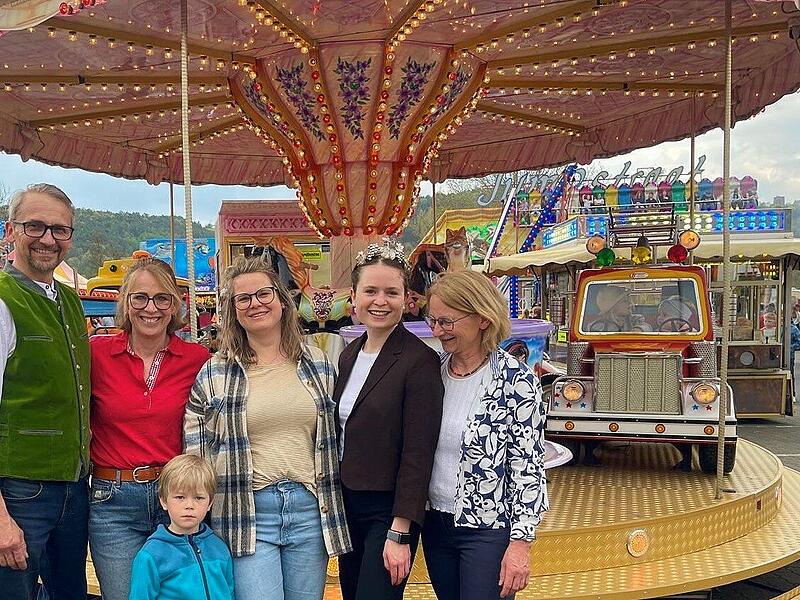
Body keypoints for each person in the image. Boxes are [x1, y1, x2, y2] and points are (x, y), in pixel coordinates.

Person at [185, 256, 351, 600]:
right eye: (243, 298)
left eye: (263, 294)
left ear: (280, 299)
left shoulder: (318, 363)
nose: (255, 304)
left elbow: (339, 437)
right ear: (232, 310)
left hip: (309, 509)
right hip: (247, 511)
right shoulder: (214, 373)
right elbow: (196, 454)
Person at [88, 257, 211, 600]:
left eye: (162, 298)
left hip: (177, 496)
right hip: (113, 500)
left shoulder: (197, 359)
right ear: (125, 302)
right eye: (140, 297)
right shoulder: (96, 354)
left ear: (175, 306)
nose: (150, 308)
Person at [422, 270, 549, 600]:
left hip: (487, 530)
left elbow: (528, 468)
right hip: (435, 525)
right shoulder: (430, 373)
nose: (437, 331)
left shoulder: (515, 381)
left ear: (481, 318)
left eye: (447, 322)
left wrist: (520, 543)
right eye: (433, 321)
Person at [334, 239, 443, 600]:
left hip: (388, 510)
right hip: (348, 502)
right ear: (354, 296)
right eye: (370, 291)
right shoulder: (349, 355)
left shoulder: (419, 361)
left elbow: (419, 450)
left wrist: (400, 530)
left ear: (406, 298)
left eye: (391, 292)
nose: (380, 301)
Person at [0, 183, 91, 599]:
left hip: (74, 486)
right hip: (19, 489)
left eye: (60, 230)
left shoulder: (70, 300)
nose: (48, 239)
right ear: (10, 230)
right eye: (34, 226)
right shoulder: (3, 299)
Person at [129, 454, 234, 600]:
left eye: (198, 498)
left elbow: (229, 592)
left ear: (210, 503)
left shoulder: (219, 548)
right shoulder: (151, 555)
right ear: (164, 501)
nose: (189, 506)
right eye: (180, 497)